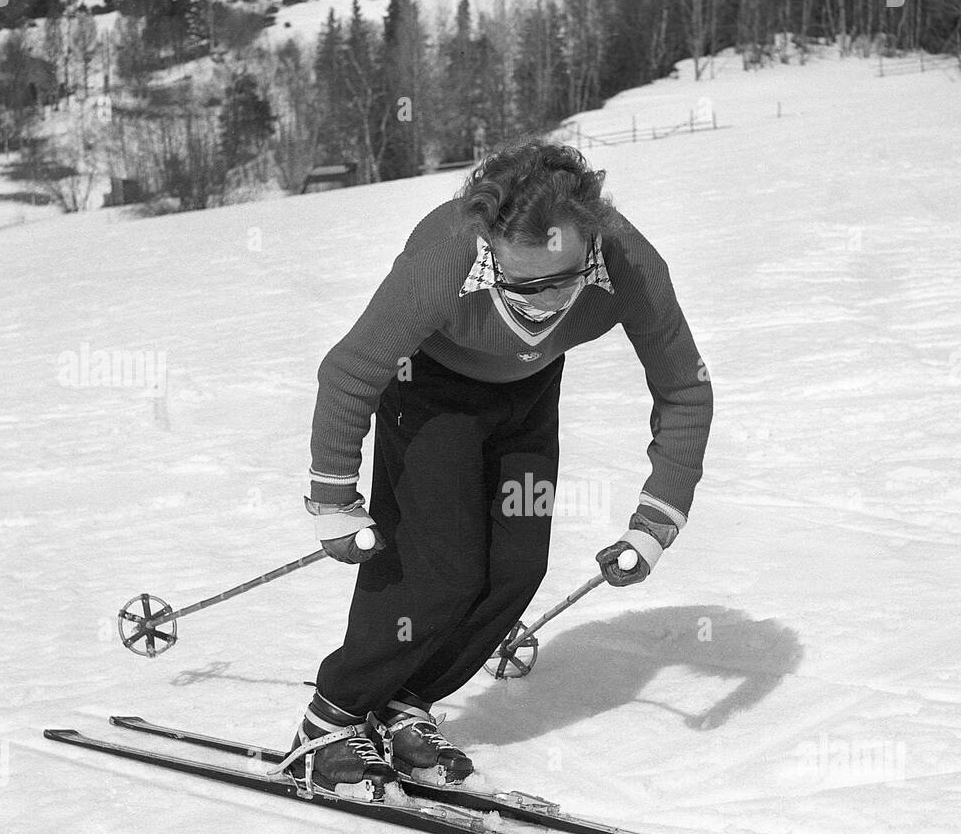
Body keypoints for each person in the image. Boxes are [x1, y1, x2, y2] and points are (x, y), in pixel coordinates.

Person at [279, 142, 712, 799]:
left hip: (527, 400)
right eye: (521, 284)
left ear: (589, 247)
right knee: (441, 569)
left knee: (516, 569)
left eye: (559, 282)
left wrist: (656, 520)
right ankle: (331, 718)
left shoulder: (626, 260)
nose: (540, 302)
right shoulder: (446, 259)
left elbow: (684, 388)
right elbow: (352, 370)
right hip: (429, 392)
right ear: (491, 247)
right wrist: (333, 498)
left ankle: (405, 706)